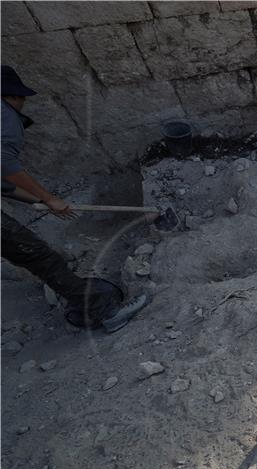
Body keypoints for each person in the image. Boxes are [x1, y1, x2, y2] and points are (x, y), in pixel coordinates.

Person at [1, 65, 148, 333]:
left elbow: (2, 185)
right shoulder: (4, 114)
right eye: (21, 97)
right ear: (11, 95)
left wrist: (43, 201)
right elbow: (3, 163)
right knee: (41, 257)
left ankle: (72, 291)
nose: (22, 103)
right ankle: (106, 311)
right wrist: (48, 197)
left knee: (34, 256)